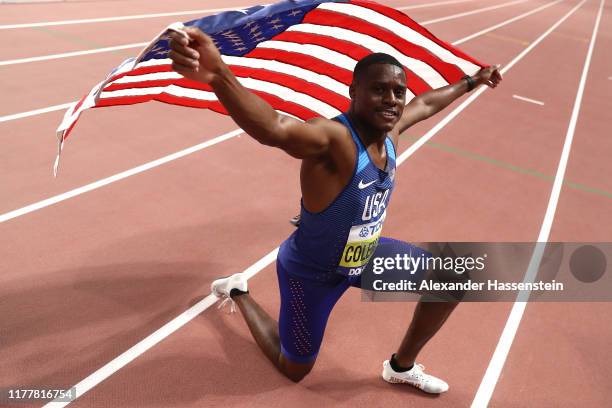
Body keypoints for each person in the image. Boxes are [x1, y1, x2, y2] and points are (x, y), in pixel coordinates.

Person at [168, 26, 502, 392]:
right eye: (379, 90)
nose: (391, 100)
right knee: (294, 369)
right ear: (353, 92)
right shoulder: (334, 140)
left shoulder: (390, 132)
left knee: (450, 280)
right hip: (313, 271)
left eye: (397, 92)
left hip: (366, 256)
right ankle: (238, 292)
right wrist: (218, 75)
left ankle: (400, 367)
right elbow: (275, 128)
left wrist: (472, 81)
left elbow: (425, 104)